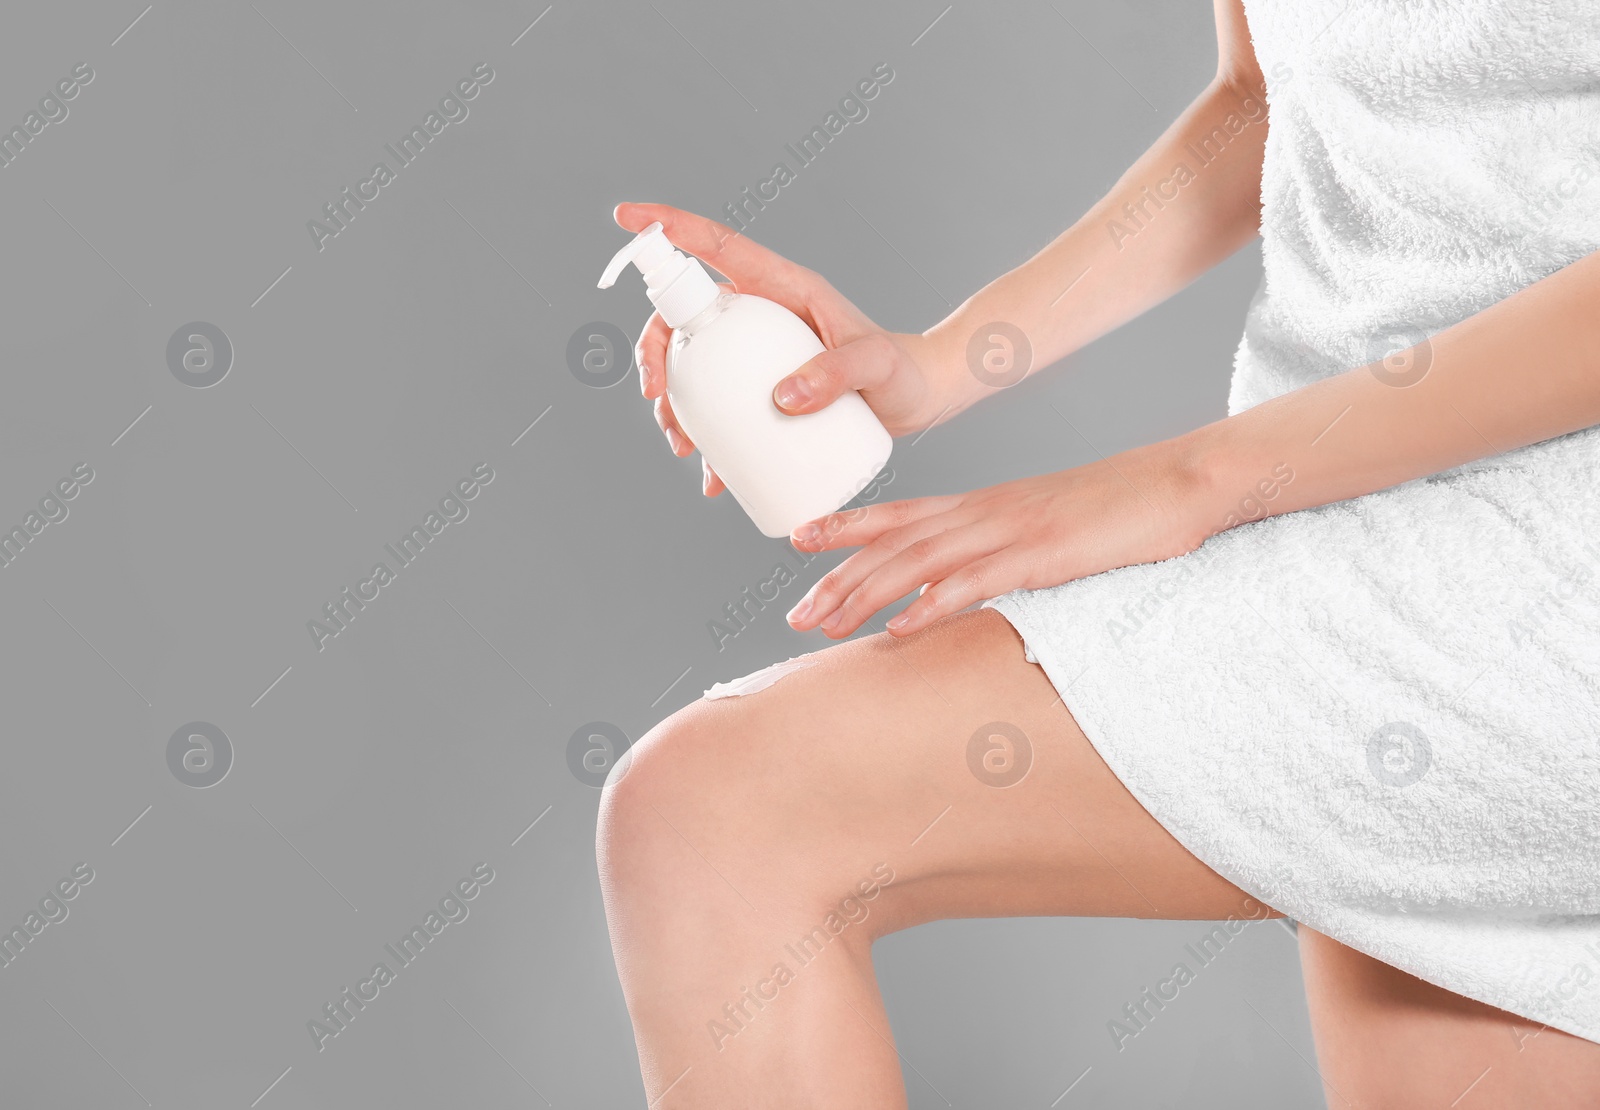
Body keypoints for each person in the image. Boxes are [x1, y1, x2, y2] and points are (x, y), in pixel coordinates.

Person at [597, 0, 1600, 1104]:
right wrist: (940, 367)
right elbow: (1260, 99)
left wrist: (1199, 481)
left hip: (1535, 551)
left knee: (716, 814)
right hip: (1340, 504)